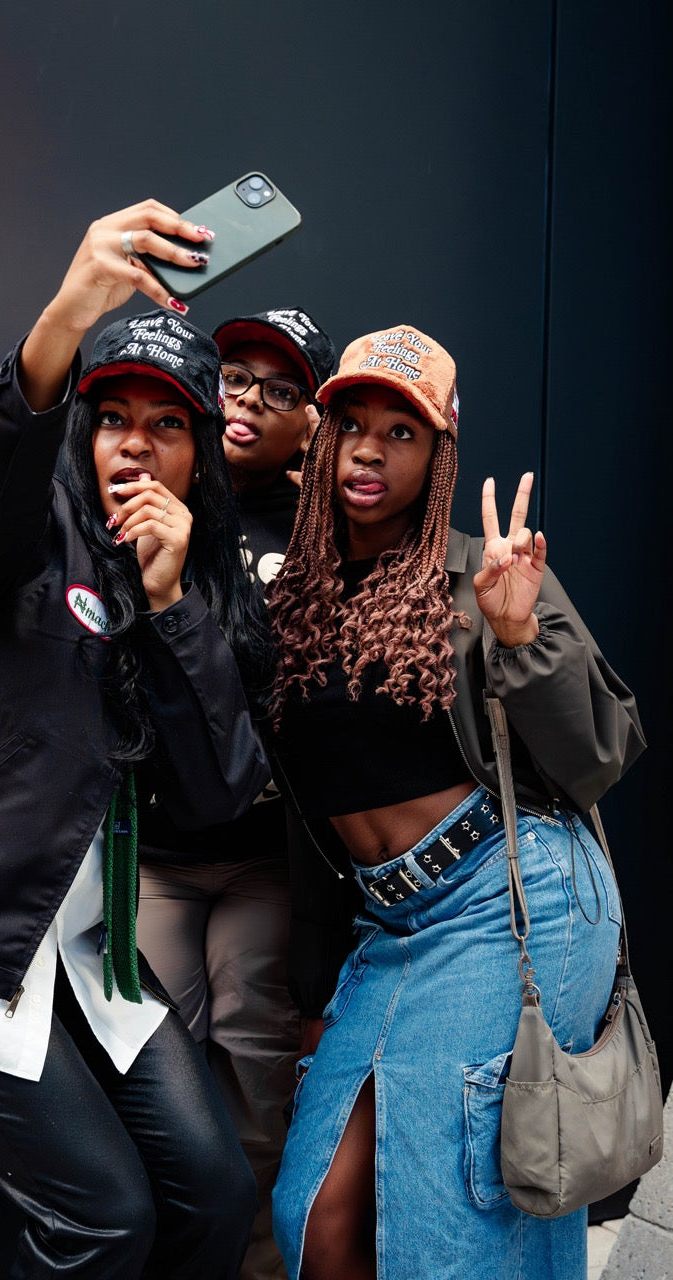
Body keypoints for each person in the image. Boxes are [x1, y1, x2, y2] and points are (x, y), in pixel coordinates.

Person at [0, 200, 274, 1280]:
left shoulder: (201, 588)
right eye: (112, 417)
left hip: (81, 945)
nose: (136, 443)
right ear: (84, 432)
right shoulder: (33, 532)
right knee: (102, 1219)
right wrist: (66, 316)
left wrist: (169, 604)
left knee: (216, 1192)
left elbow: (217, 793)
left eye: (167, 425)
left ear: (199, 456)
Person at [266, 325, 646, 1280]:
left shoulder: (485, 575)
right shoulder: (292, 598)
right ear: (321, 439)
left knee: (446, 1235)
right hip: (390, 922)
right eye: (352, 425)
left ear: (439, 456)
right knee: (316, 1216)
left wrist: (518, 639)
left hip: (510, 899)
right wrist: (312, 984)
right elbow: (311, 819)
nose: (369, 450)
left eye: (401, 433)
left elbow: (601, 755)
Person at [136, 308, 336, 1280]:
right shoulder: (157, 491)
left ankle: (254, 1267)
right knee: (157, 1076)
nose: (249, 399)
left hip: (264, 857)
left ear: (312, 423)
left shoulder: (327, 526)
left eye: (280, 388)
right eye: (233, 376)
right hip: (157, 851)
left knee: (258, 1076)